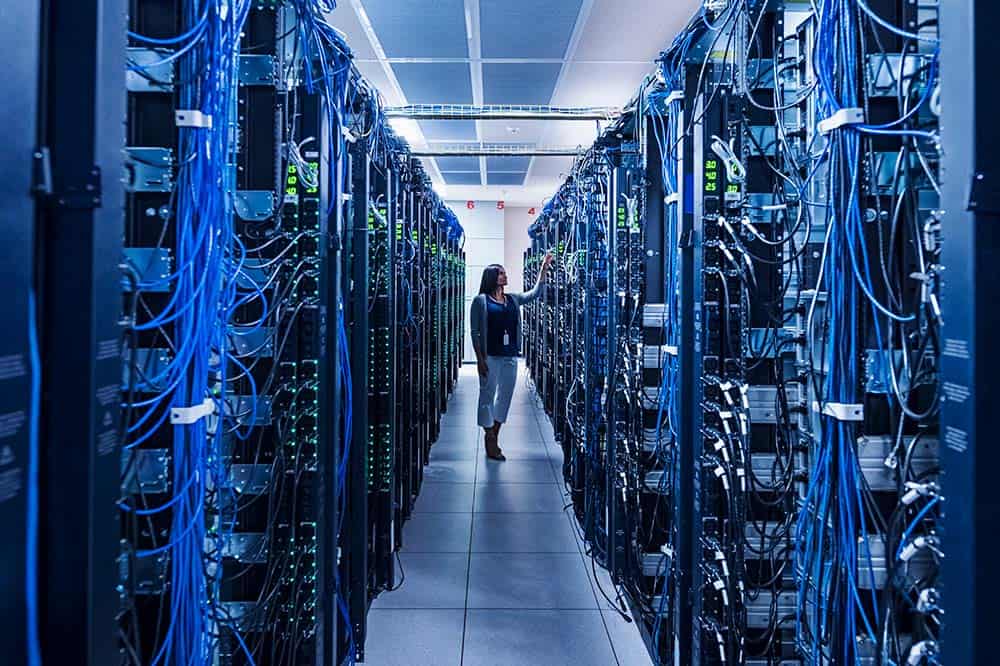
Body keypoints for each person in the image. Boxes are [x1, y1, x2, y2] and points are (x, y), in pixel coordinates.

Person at [469, 252, 554, 460]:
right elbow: (475, 332)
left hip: (510, 356)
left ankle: (494, 435)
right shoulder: (480, 302)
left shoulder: (512, 299)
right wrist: (480, 359)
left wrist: (543, 268)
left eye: (505, 273)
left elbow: (534, 294)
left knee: (504, 398)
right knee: (487, 396)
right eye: (501, 274)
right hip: (490, 357)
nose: (505, 276)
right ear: (491, 278)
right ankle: (489, 437)